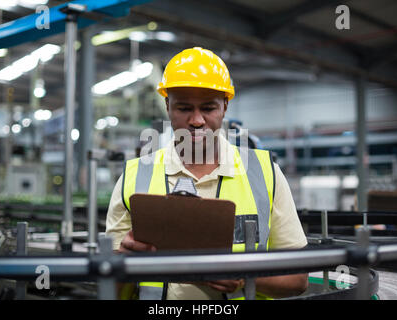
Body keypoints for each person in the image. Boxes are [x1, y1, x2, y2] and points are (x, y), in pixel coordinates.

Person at [106, 47, 308, 300]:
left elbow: (298, 279)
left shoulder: (266, 173)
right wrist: (123, 266)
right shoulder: (134, 177)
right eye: (184, 108)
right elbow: (109, 290)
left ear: (225, 106)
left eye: (208, 108)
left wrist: (244, 277)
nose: (197, 120)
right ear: (167, 106)